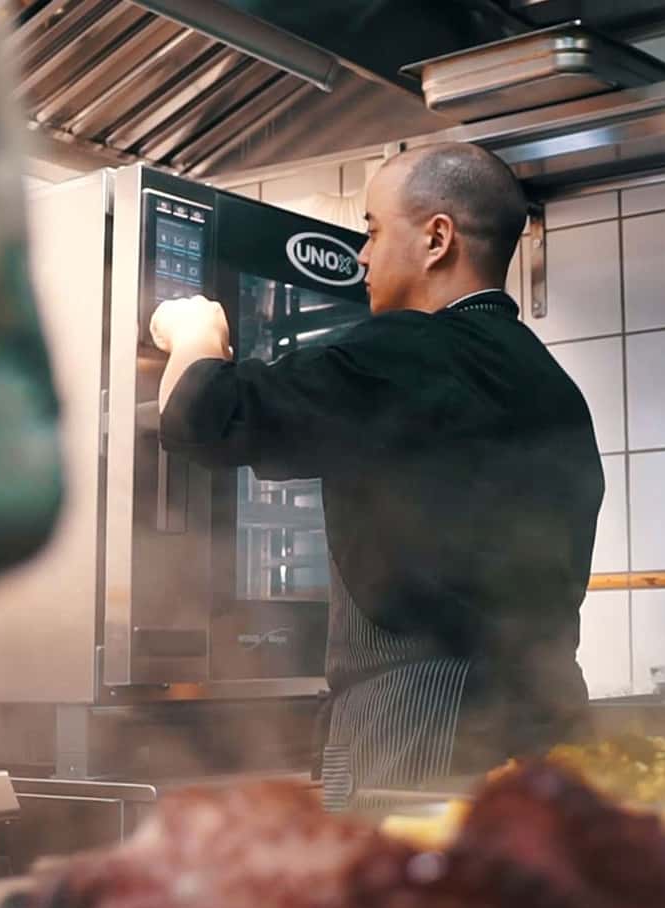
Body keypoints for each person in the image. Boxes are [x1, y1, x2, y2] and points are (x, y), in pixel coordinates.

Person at [147, 142, 601, 806]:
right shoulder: (551, 383)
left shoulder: (409, 351)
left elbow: (203, 417)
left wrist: (193, 330)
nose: (361, 256)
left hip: (424, 727)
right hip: (553, 726)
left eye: (373, 230)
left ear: (437, 239)